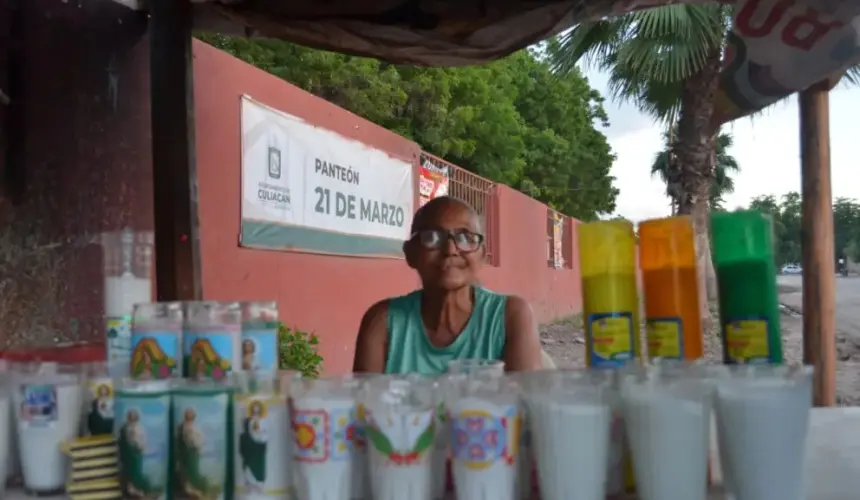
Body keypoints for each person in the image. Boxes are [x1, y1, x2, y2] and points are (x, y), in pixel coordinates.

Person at [353, 196, 546, 375]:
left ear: (481, 255)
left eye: (465, 238)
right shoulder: (382, 322)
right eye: (432, 238)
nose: (450, 250)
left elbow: (528, 406)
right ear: (410, 253)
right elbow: (366, 408)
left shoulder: (510, 316)